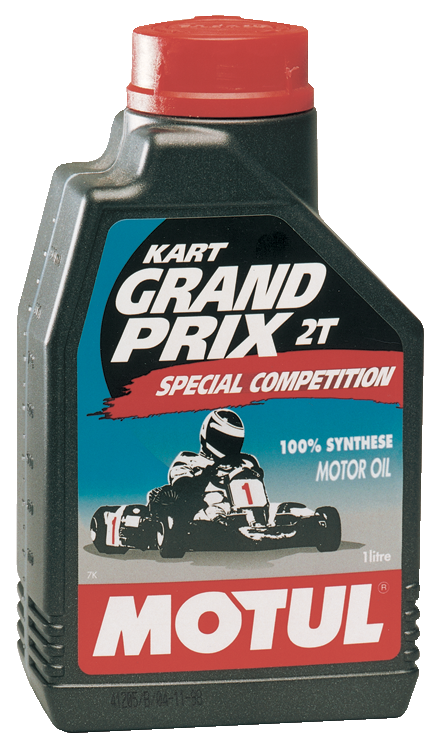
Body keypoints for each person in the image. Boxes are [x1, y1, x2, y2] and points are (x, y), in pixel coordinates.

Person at [150, 409, 263, 522]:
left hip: (243, 511)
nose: (228, 446)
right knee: (213, 501)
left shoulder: (246, 462)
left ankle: (260, 525)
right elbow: (183, 488)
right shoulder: (188, 460)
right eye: (223, 440)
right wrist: (205, 476)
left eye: (233, 442)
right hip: (202, 517)